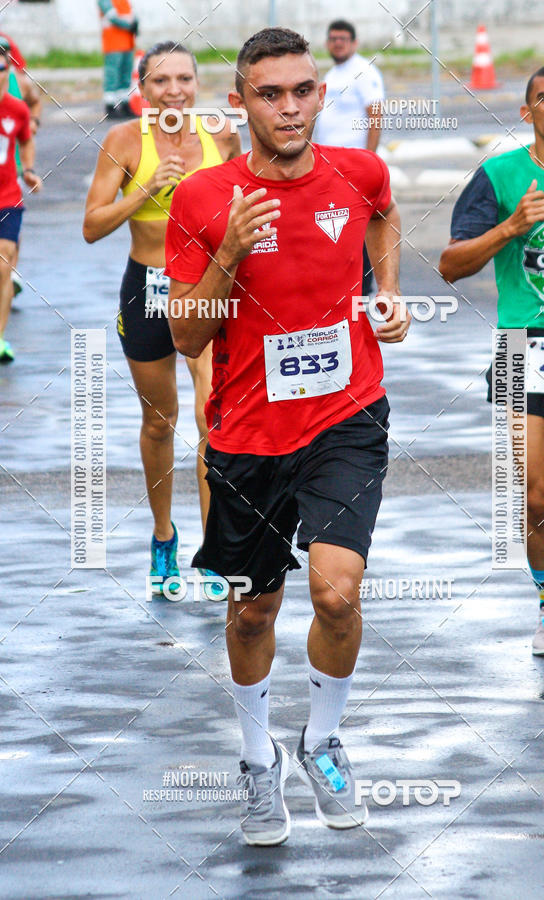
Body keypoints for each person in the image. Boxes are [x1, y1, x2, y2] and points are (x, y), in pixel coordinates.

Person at [165, 27, 409, 845]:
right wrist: (230, 248)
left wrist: (388, 293)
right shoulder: (203, 198)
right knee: (251, 613)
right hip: (247, 434)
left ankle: (324, 740)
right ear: (240, 103)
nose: (292, 107)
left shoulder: (360, 170)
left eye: (304, 90)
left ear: (320, 93)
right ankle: (256, 760)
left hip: (348, 415)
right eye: (271, 94)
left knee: (337, 592)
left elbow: (383, 215)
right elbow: (189, 337)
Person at [439, 63, 544, 657]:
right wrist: (510, 226)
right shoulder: (499, 175)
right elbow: (451, 265)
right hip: (520, 348)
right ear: (526, 111)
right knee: (533, 497)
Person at [83, 41, 240, 592]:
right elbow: (92, 225)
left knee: (209, 418)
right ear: (143, 90)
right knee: (160, 420)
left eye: (183, 79)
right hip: (148, 289)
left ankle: (215, 547)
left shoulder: (221, 133)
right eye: (160, 81)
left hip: (207, 288)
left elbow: (246, 196)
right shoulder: (125, 140)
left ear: (196, 84)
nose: (174, 90)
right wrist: (146, 189)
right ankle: (162, 535)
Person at [313, 19, 384, 296]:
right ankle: (342, 285)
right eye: (333, 38)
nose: (337, 43)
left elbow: (375, 117)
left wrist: (369, 161)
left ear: (354, 43)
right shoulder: (332, 74)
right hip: (330, 169)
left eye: (343, 38)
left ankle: (363, 289)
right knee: (336, 226)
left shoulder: (364, 72)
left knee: (360, 227)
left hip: (355, 168)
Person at [0, 43, 42, 362]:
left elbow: (26, 140)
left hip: (7, 196)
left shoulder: (17, 108)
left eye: (2, 69)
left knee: (3, 266)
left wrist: (28, 170)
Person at [97, 0, 138, 118]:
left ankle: (125, 104)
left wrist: (136, 23)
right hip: (113, 42)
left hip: (127, 42)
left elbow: (131, 14)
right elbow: (112, 17)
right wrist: (130, 26)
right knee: (113, 75)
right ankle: (110, 106)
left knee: (125, 75)